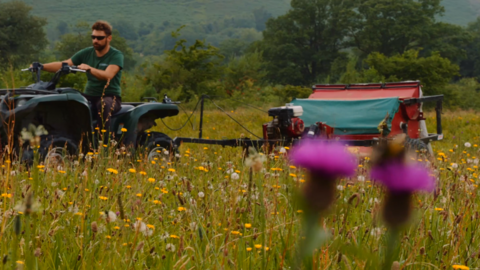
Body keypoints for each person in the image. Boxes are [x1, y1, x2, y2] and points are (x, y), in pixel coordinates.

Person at [40, 20, 124, 133]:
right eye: (93, 37)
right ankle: (69, 136)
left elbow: (108, 75)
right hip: (89, 95)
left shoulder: (116, 55)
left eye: (99, 38)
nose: (95, 40)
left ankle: (104, 142)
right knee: (69, 99)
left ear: (109, 38)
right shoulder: (87, 52)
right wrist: (41, 66)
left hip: (110, 96)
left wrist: (89, 68)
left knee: (103, 105)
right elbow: (63, 64)